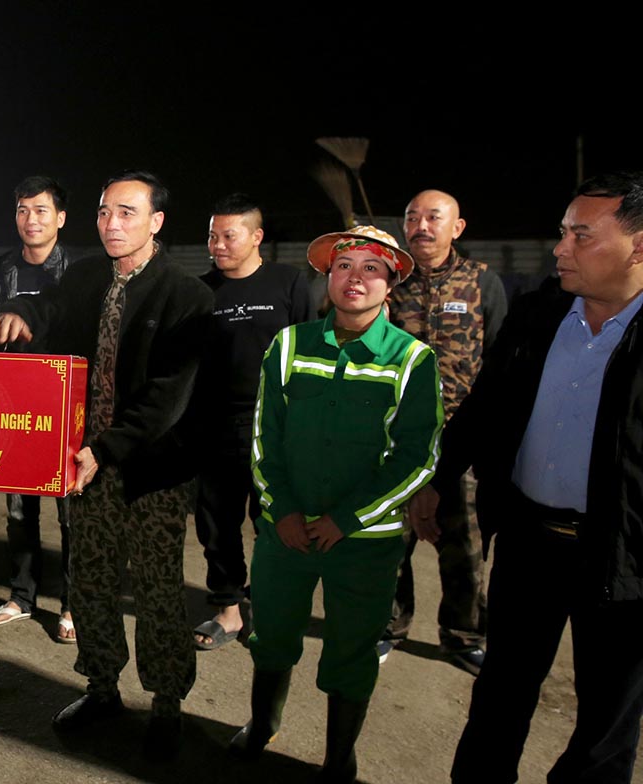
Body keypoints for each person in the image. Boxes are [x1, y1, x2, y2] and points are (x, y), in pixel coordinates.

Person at [419, 172, 643, 784]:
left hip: (621, 563)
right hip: (529, 543)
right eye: (561, 232)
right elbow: (486, 405)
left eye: (580, 235)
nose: (559, 248)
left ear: (640, 245)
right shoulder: (539, 312)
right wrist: (437, 477)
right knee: (499, 702)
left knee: (605, 728)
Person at [0, 170, 213, 757]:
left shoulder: (187, 297)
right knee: (91, 581)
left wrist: (104, 447)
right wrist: (19, 310)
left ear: (157, 222)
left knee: (160, 590)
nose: (112, 224)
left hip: (149, 473)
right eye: (106, 212)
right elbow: (45, 300)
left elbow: (168, 397)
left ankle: (167, 702)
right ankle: (102, 686)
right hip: (84, 467)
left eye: (128, 213)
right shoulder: (87, 275)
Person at [237, 226, 442, 784]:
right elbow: (264, 438)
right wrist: (281, 511)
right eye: (345, 266)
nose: (356, 278)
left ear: (391, 283)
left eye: (371, 269)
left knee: (351, 652)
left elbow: (418, 459)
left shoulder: (412, 359)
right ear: (329, 278)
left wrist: (346, 519)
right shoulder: (290, 344)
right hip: (287, 532)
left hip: (364, 543)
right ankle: (262, 725)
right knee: (272, 634)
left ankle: (338, 756)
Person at [379, 189, 507, 673]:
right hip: (396, 438)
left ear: (457, 227)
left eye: (434, 217)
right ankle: (387, 625)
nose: (421, 226)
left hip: (463, 437)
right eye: (412, 217)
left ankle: (463, 634)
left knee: (466, 546)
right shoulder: (390, 282)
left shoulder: (481, 283)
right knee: (389, 541)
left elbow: (498, 358)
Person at [190, 193, 312, 651]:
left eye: (228, 236)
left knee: (274, 524)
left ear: (257, 237)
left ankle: (267, 609)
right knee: (216, 525)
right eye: (211, 235)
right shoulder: (201, 291)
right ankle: (228, 611)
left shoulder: (289, 283)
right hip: (216, 428)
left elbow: (310, 356)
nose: (216, 245)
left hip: (274, 428)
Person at [0, 175, 75, 643]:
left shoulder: (80, 271)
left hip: (65, 411)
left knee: (72, 511)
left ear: (60, 218)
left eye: (40, 210)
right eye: (22, 210)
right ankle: (21, 597)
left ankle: (73, 606)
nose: (30, 219)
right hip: (15, 411)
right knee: (19, 512)